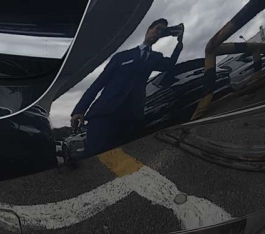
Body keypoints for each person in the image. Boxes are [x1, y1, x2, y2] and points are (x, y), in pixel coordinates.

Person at [70, 19, 185, 157]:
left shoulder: (156, 58)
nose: (158, 33)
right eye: (157, 29)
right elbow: (99, 82)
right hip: (104, 114)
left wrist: (179, 43)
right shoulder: (122, 56)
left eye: (162, 31)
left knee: (123, 159)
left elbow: (170, 65)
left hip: (131, 118)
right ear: (148, 30)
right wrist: (80, 109)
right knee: (94, 156)